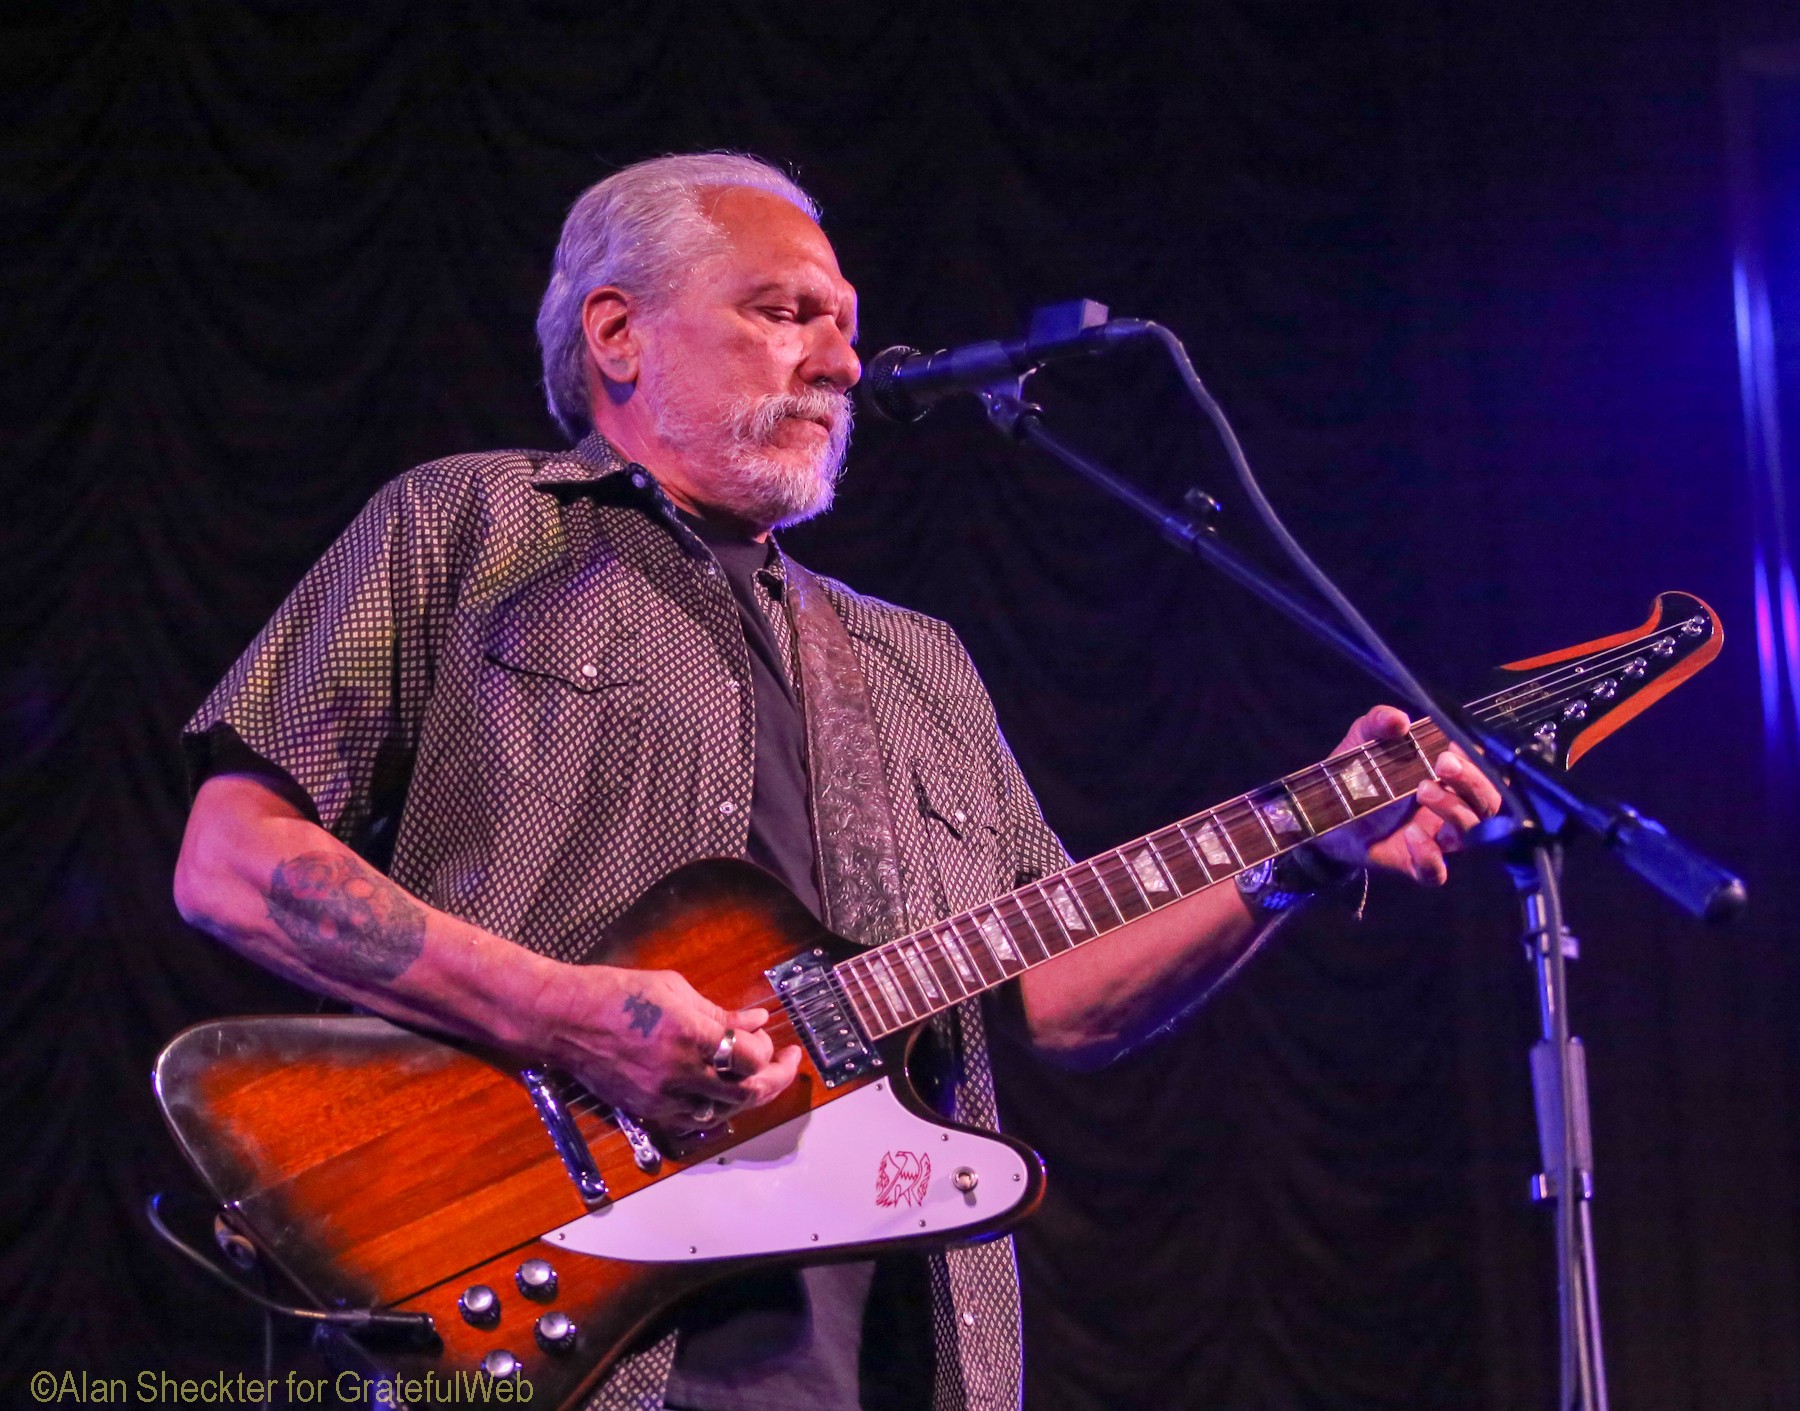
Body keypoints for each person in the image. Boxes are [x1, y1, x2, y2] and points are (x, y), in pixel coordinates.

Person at [172, 152, 1501, 1411]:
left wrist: (1298, 853)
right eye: (785, 310)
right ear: (618, 336)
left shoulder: (917, 661)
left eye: (846, 322)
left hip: (894, 1361)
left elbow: (1057, 1001)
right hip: (552, 1317)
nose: (844, 359)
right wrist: (569, 1014)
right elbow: (230, 860)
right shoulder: (468, 526)